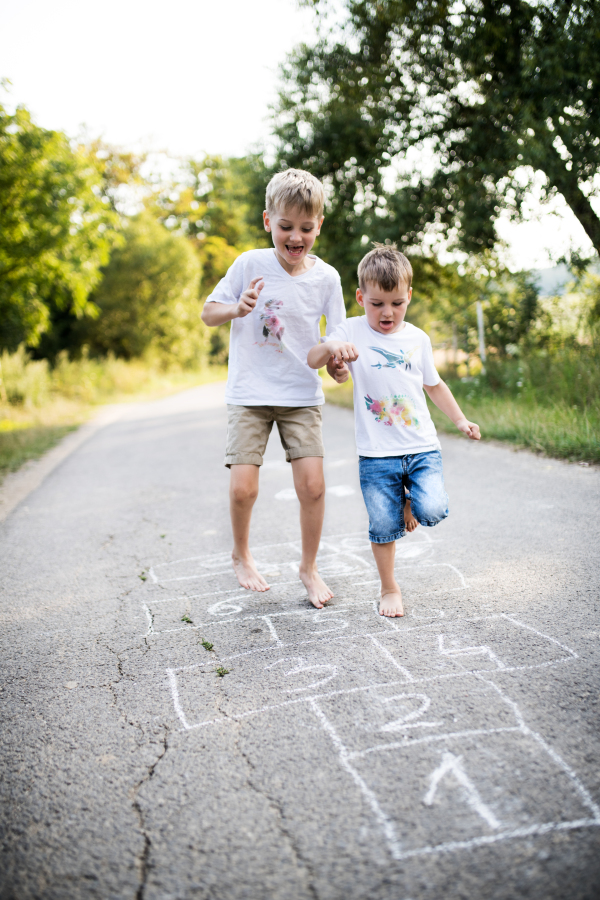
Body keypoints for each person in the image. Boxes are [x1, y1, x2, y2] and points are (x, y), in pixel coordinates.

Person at [307, 243, 480, 618]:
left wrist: (461, 420)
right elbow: (323, 364)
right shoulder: (349, 330)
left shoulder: (417, 339)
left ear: (409, 297)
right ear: (360, 297)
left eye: (397, 303)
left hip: (421, 447)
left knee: (431, 509)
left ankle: (409, 501)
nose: (387, 313)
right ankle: (389, 587)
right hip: (375, 454)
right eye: (377, 303)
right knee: (383, 528)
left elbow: (434, 385)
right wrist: (334, 355)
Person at [201, 169, 346, 609]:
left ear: (319, 224)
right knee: (244, 487)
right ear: (269, 222)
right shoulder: (249, 264)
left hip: (301, 395)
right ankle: (241, 554)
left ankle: (309, 567)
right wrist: (236, 307)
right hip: (249, 394)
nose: (295, 237)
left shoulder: (328, 279)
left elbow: (334, 335)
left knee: (314, 486)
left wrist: (337, 359)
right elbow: (209, 312)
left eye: (306, 228)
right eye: (286, 227)